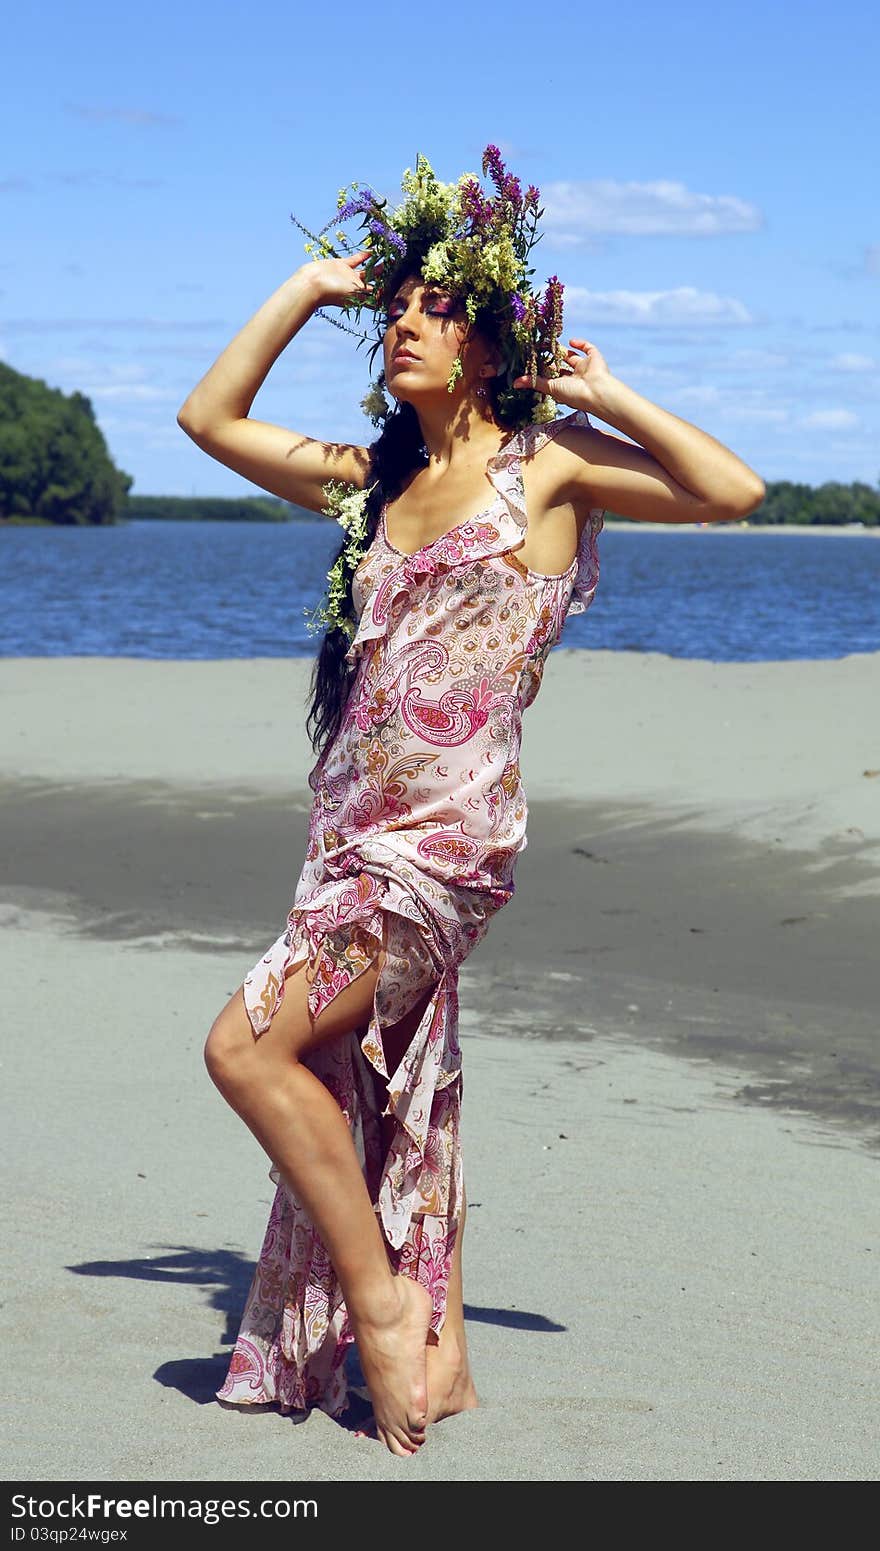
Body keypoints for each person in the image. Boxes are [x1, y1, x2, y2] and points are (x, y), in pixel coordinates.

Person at [177, 148, 765, 1459]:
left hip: (445, 854)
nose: (402, 324)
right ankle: (438, 1362)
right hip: (345, 843)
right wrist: (311, 282)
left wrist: (606, 392)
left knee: (245, 1047)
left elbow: (729, 494)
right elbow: (208, 423)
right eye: (393, 312)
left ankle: (383, 1305)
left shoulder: (546, 469)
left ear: (494, 347)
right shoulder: (370, 483)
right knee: (378, 1093)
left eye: (435, 311)